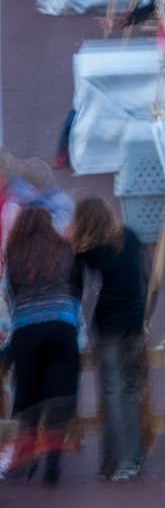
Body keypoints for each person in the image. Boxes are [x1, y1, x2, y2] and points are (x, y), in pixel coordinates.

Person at [70, 196, 148, 483]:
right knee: (129, 390)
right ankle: (134, 457)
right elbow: (146, 277)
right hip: (134, 323)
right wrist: (145, 317)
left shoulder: (87, 253)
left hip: (108, 326)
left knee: (111, 392)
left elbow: (80, 292)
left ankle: (115, 460)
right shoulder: (130, 237)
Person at [3, 204, 79, 484]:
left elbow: (10, 292)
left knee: (28, 395)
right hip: (61, 324)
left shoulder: (13, 253)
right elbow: (75, 287)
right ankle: (53, 465)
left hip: (26, 328)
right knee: (59, 394)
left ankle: (23, 459)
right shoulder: (63, 248)